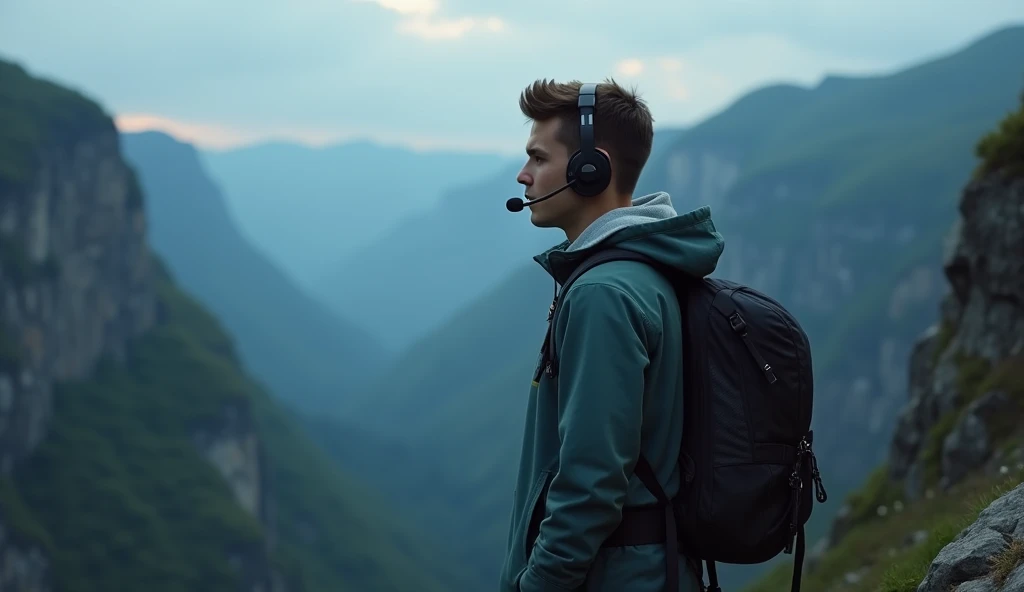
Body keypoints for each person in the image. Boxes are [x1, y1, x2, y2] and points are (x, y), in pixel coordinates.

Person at [498, 78, 725, 592]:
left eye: (537, 158)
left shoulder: (604, 293)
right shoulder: (643, 269)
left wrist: (539, 584)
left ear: (588, 168)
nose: (523, 175)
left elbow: (592, 482)